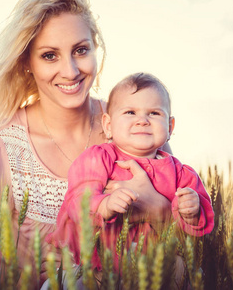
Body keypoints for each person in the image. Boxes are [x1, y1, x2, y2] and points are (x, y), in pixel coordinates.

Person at [0, 0, 173, 288]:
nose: (71, 71)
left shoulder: (135, 125)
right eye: (49, 55)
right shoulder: (2, 146)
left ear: (95, 48)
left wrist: (158, 210)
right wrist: (13, 277)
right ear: (28, 61)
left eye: (80, 50)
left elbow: (187, 239)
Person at [48, 72, 215, 273]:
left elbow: (201, 222)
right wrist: (103, 204)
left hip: (154, 266)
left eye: (154, 113)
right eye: (130, 112)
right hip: (100, 263)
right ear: (108, 126)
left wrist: (191, 211)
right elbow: (78, 199)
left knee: (180, 268)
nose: (142, 120)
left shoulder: (181, 173)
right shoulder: (98, 158)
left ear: (170, 127)